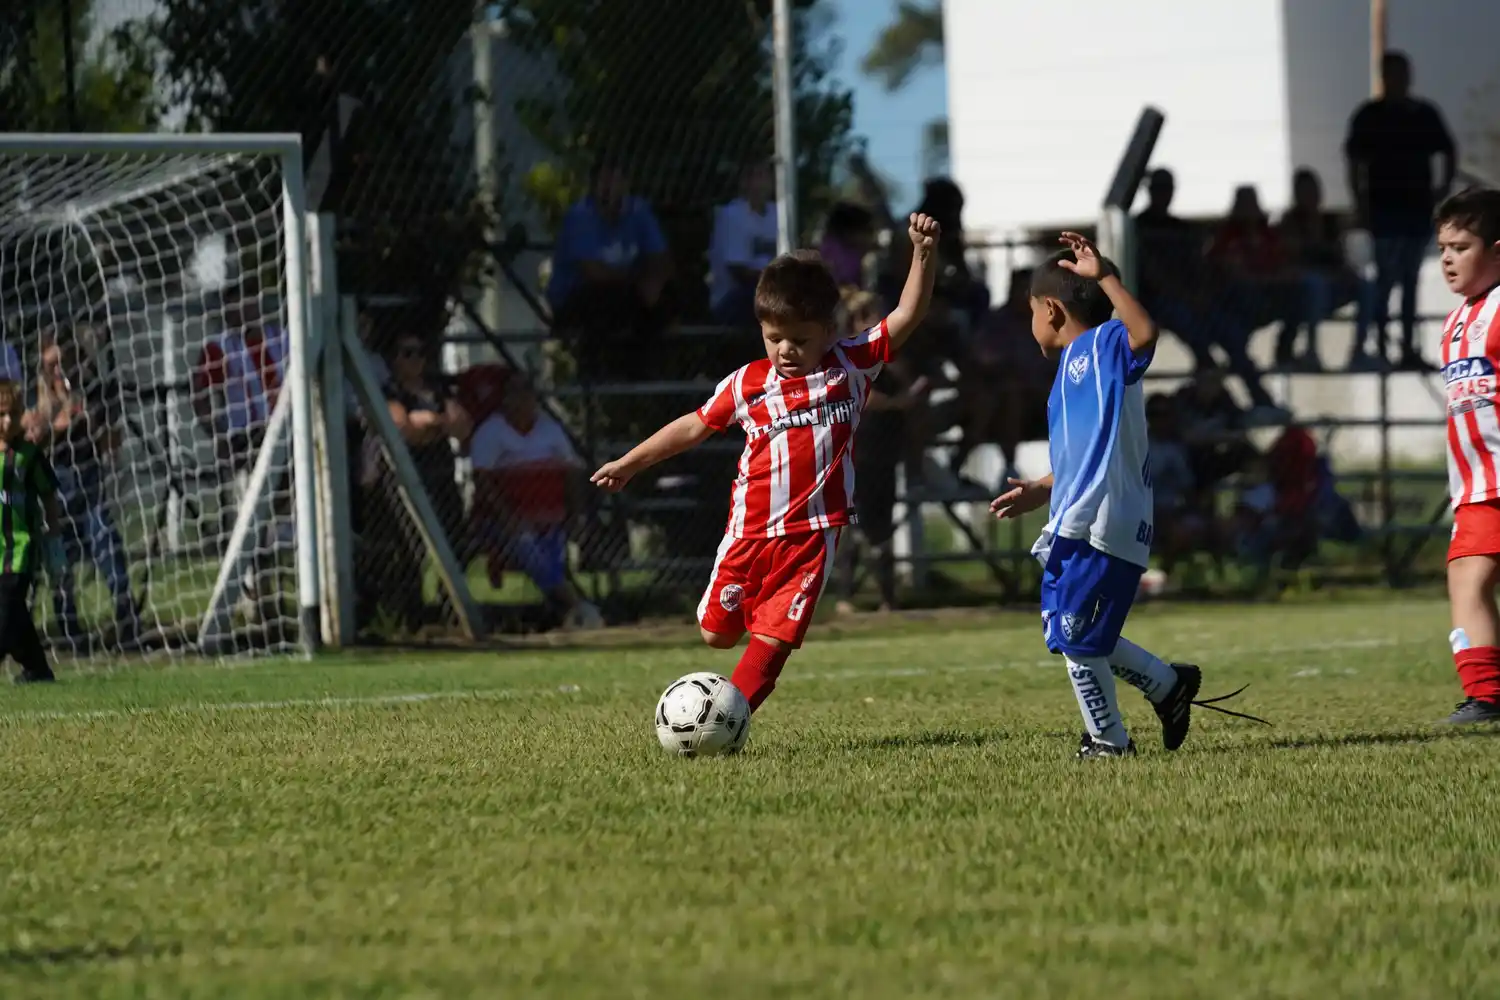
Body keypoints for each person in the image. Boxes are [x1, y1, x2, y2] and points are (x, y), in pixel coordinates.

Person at [590, 213, 943, 714]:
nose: (785, 350)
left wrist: (922, 253)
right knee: (715, 634)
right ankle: (755, 618)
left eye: (799, 339)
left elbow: (909, 313)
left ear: (827, 330)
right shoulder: (747, 384)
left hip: (814, 533)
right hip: (749, 531)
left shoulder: (854, 363)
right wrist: (630, 462)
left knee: (774, 640)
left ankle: (727, 719)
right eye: (774, 337)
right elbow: (693, 425)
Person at [990, 233, 1226, 758]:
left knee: (1076, 636)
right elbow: (1088, 456)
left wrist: (1105, 279)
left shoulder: (1098, 346)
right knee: (1077, 632)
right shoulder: (1068, 378)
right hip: (1084, 517)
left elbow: (1142, 332)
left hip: (1102, 523)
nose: (1029, 323)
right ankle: (1167, 686)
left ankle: (1108, 741)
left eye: (1030, 311)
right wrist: (1041, 489)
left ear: (1051, 310)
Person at [1431, 188, 1500, 724]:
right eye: (1442, 248)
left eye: (1461, 246)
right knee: (1466, 578)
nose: (1448, 259)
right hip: (1476, 485)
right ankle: (1487, 696)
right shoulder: (1454, 324)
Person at [1345, 52, 1457, 371]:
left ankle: (1407, 346)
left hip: (1415, 209)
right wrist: (1360, 204)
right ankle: (1380, 344)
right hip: (1384, 210)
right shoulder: (1370, 116)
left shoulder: (1422, 114)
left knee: (1409, 280)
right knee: (1385, 279)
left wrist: (1442, 188)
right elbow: (1354, 162)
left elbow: (1448, 150)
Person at [29, 329, 140, 650]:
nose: (58, 371)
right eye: (51, 365)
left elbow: (112, 443)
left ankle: (125, 612)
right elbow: (32, 440)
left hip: (89, 479)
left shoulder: (93, 393)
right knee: (57, 551)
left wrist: (91, 423)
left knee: (104, 535)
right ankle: (68, 625)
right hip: (55, 483)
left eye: (63, 362)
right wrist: (55, 423)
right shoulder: (38, 399)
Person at [469, 369, 603, 630]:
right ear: (504, 398)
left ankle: (569, 608)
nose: (524, 398)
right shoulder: (491, 432)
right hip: (504, 522)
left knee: (548, 551)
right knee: (527, 545)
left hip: (550, 519)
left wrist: (575, 515)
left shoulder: (549, 430)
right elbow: (482, 482)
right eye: (516, 392)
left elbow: (572, 473)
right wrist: (508, 519)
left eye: (528, 391)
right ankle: (578, 606)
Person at [0, 379, 67, 684]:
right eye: (1, 415)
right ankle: (38, 669)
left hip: (20, 551)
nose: (7, 421)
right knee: (15, 618)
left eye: (12, 414)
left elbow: (49, 494)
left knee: (6, 612)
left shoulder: (28, 455)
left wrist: (54, 535)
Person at [709, 160, 779, 327]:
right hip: (733, 299)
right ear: (744, 182)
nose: (763, 182)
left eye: (766, 176)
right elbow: (738, 272)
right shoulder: (731, 215)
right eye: (757, 176)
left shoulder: (778, 213)